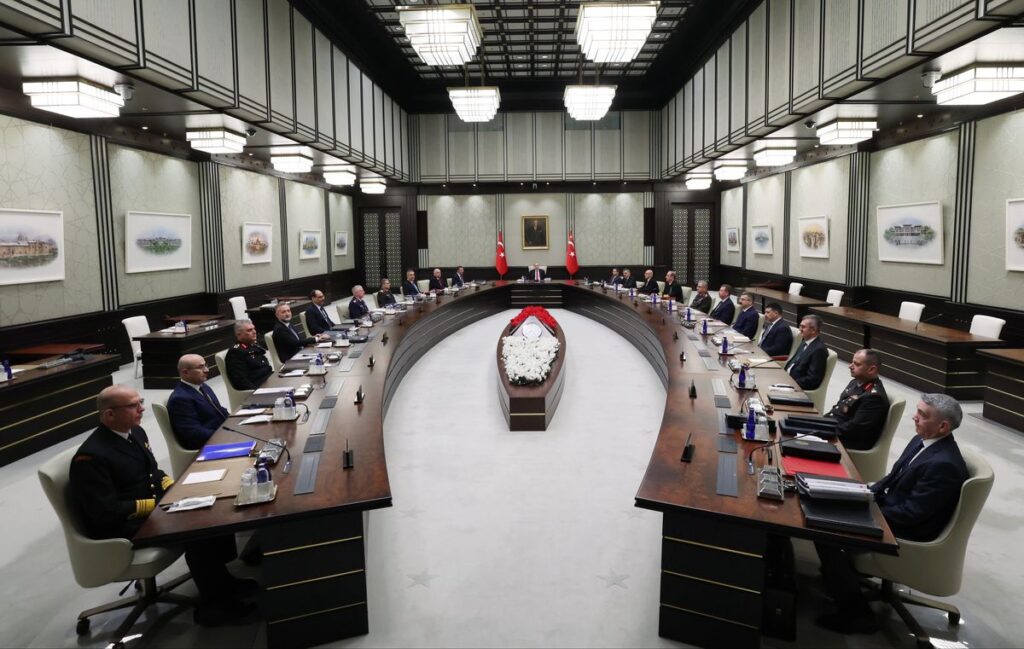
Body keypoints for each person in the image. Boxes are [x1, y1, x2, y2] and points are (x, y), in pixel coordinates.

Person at [69, 386, 257, 625]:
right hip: (122, 526)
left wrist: (173, 487)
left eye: (140, 402)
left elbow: (153, 471)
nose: (141, 409)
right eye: (133, 405)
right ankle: (213, 607)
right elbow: (105, 512)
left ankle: (224, 582)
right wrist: (159, 504)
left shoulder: (135, 432)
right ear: (109, 414)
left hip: (150, 511)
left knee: (213, 505)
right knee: (198, 527)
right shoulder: (91, 456)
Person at [815, 393, 969, 634]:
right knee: (828, 508)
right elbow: (893, 477)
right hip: (892, 511)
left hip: (908, 531)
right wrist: (864, 493)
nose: (914, 417)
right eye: (917, 411)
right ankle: (837, 578)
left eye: (922, 415)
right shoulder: (922, 441)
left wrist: (867, 510)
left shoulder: (944, 465)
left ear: (943, 426)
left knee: (827, 531)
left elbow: (911, 514)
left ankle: (857, 616)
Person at [823, 349, 889, 450]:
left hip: (846, 442)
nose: (850, 366)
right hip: (836, 428)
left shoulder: (874, 397)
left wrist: (824, 428)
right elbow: (838, 409)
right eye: (852, 362)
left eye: (857, 364)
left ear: (871, 369)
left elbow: (854, 429)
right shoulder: (855, 382)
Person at [166, 354, 229, 450]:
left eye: (205, 365)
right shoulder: (180, 399)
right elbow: (194, 434)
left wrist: (237, 421)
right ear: (185, 372)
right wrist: (224, 434)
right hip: (206, 445)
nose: (206, 370)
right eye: (200, 367)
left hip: (220, 433)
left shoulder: (203, 386)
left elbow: (218, 410)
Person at [225, 319, 273, 390]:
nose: (254, 332)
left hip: (269, 379)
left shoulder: (253, 345)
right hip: (259, 386)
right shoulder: (235, 352)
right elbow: (241, 381)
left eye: (254, 329)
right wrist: (259, 391)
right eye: (249, 330)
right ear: (238, 334)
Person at [784, 315, 828, 390]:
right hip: (787, 378)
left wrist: (791, 384)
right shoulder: (804, 342)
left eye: (803, 327)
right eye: (800, 326)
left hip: (796, 386)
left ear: (813, 330)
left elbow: (813, 379)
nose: (800, 329)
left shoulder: (819, 350)